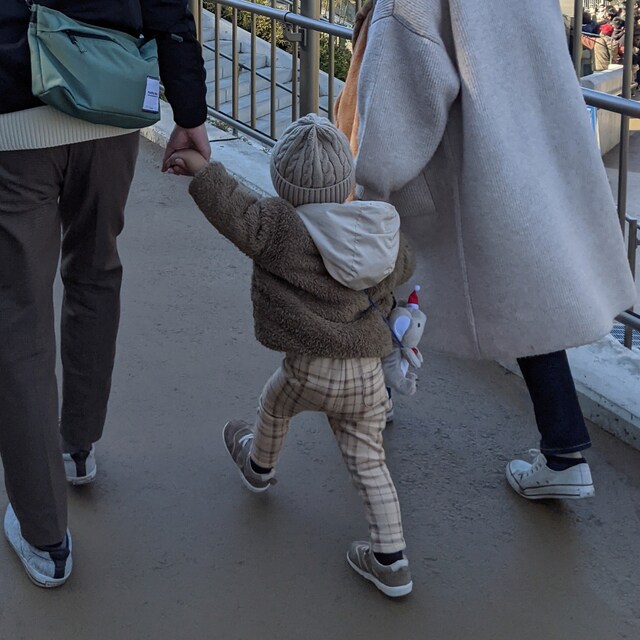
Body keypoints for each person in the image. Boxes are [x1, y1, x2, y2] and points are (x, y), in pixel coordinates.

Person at [353, 0, 636, 500]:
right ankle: (564, 453)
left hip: (467, 170)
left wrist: (368, 183)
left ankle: (372, 396)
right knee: (526, 293)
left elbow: (398, 102)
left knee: (382, 275)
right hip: (531, 157)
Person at [0, 0, 209, 587]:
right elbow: (168, 8)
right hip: (112, 104)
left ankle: (45, 536)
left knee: (19, 315)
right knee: (96, 271)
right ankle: (77, 448)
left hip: (15, 110)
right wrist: (190, 111)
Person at [167, 114, 415, 598]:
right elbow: (404, 263)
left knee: (275, 406)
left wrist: (201, 168)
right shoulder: (377, 229)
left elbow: (234, 210)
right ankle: (392, 561)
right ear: (346, 184)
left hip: (308, 368)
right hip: (367, 376)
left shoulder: (280, 228)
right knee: (369, 463)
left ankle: (259, 467)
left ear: (282, 184)